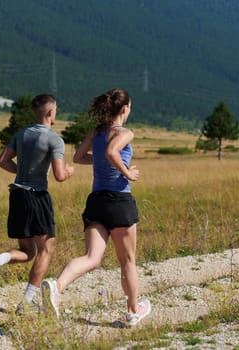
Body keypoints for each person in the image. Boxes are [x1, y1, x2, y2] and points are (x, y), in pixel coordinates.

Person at [41, 88, 151, 327]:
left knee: (91, 257)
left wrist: (102, 159)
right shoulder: (125, 132)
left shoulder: (97, 132)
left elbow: (79, 157)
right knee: (128, 261)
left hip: (96, 201)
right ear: (124, 109)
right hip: (119, 202)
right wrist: (127, 171)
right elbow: (112, 151)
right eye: (129, 107)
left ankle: (56, 287)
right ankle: (133, 310)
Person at [0, 94, 74, 312]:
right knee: (45, 251)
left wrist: (21, 172)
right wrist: (69, 171)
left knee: (28, 252)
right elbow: (59, 175)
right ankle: (25, 304)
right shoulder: (54, 139)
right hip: (37, 196)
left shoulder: (21, 134)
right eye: (56, 110)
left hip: (17, 195)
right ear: (50, 113)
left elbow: (2, 161)